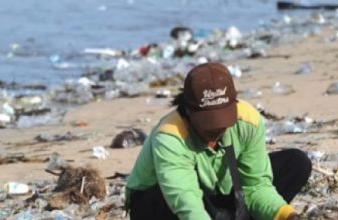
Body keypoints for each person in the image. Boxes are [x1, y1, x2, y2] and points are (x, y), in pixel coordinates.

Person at [125, 62, 311, 220]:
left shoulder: (248, 121)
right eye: (209, 122)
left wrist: (286, 215)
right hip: (163, 203)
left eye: (223, 120)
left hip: (217, 193)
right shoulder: (170, 136)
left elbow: (256, 186)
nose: (217, 129)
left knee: (296, 163)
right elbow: (186, 202)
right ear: (189, 111)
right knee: (159, 197)